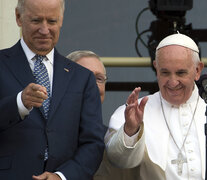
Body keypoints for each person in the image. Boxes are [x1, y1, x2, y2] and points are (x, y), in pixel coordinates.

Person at [0, 0, 105, 179]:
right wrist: (19, 103)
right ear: (19, 17)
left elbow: (93, 143)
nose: (44, 29)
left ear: (62, 20)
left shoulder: (82, 77)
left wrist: (62, 176)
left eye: (52, 21)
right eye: (36, 20)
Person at [105, 33, 206, 180]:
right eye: (165, 73)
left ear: (197, 70)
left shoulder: (205, 106)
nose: (172, 82)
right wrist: (131, 130)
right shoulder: (134, 111)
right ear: (156, 68)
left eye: (180, 73)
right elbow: (118, 161)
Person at [67, 50, 141, 180]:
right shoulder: (46, 138)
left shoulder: (114, 143)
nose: (92, 85)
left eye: (99, 79)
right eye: (84, 77)